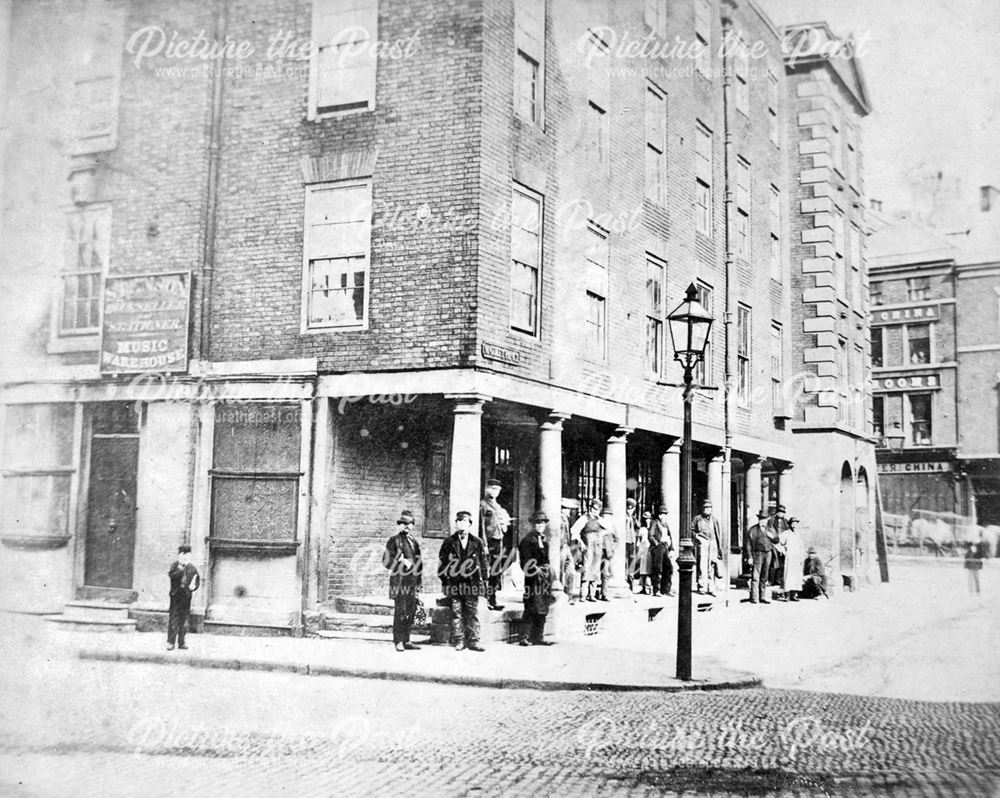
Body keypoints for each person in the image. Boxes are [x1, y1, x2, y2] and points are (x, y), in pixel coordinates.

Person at [437, 511, 488, 652]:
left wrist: (485, 580)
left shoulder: (477, 542)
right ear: (456, 524)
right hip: (455, 583)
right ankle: (459, 641)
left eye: (465, 521)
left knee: (473, 613)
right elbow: (442, 563)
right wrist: (445, 581)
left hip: (472, 584)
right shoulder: (449, 542)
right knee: (456, 613)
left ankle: (474, 641)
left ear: (470, 524)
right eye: (459, 521)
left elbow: (484, 563)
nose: (461, 524)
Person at [383, 509, 423, 651]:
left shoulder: (414, 542)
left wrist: (419, 582)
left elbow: (419, 563)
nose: (407, 526)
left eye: (410, 523)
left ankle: (406, 640)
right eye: (404, 523)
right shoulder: (394, 541)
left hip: (412, 581)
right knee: (400, 611)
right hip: (400, 581)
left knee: (411, 611)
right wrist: (401, 562)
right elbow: (386, 561)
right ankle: (398, 641)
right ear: (399, 525)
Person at [518, 511, 553, 646]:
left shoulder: (545, 542)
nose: (540, 526)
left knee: (543, 606)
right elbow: (525, 562)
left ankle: (538, 636)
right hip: (532, 578)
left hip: (544, 579)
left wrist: (546, 571)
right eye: (537, 523)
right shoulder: (527, 541)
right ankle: (524, 637)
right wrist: (535, 570)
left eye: (542, 523)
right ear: (533, 525)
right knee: (531, 606)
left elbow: (547, 560)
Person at [480, 478, 511, 611]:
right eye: (492, 489)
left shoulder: (498, 506)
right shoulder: (483, 504)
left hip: (498, 539)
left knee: (496, 571)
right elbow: (481, 525)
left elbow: (502, 522)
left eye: (497, 490)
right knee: (485, 570)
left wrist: (504, 527)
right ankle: (485, 599)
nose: (495, 492)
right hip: (489, 541)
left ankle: (493, 599)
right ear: (487, 489)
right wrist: (484, 544)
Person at [167, 544, 200, 651]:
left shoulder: (192, 568)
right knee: (173, 619)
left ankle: (181, 642)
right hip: (176, 597)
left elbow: (196, 580)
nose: (185, 557)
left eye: (187, 555)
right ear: (179, 556)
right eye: (182, 555)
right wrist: (181, 568)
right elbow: (172, 576)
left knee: (184, 621)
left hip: (186, 598)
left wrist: (194, 586)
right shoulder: (175, 566)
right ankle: (170, 642)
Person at [571, 499, 604, 602]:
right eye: (594, 509)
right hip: (588, 545)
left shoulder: (600, 519)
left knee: (596, 568)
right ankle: (583, 594)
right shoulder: (584, 518)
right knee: (587, 567)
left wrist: (601, 534)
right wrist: (580, 542)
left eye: (597, 510)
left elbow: (609, 528)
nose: (595, 511)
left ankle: (592, 594)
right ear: (590, 508)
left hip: (597, 545)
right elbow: (574, 530)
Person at [693, 500, 723, 596]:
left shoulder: (714, 520)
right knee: (702, 565)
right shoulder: (697, 519)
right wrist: (697, 537)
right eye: (706, 508)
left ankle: (711, 587)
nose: (708, 510)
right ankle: (702, 587)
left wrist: (719, 548)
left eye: (709, 508)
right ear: (703, 509)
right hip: (703, 542)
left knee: (712, 565)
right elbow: (691, 530)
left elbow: (718, 534)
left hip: (713, 543)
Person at [745, 510, 775, 604]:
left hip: (768, 553)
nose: (763, 521)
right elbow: (748, 545)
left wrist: (773, 537)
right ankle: (754, 598)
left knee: (764, 576)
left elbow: (777, 540)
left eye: (765, 519)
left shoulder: (770, 529)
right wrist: (750, 557)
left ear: (767, 520)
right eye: (761, 519)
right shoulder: (753, 530)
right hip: (757, 554)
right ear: (758, 519)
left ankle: (762, 597)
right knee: (755, 576)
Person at [648, 506, 675, 597]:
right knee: (658, 568)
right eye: (662, 514)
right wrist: (656, 544)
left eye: (665, 514)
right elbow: (650, 535)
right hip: (658, 547)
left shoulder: (666, 524)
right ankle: (656, 590)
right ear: (659, 515)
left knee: (669, 568)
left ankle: (666, 589)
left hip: (665, 546)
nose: (663, 516)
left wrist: (671, 548)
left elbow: (669, 536)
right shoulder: (655, 523)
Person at [777, 517, 806, 601]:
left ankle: (793, 595)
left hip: (797, 558)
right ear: (789, 524)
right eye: (793, 523)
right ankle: (787, 595)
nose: (794, 525)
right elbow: (777, 542)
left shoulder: (798, 535)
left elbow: (801, 547)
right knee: (788, 576)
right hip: (789, 558)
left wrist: (801, 558)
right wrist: (783, 551)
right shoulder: (785, 534)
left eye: (796, 523)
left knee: (796, 576)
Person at [559, 500, 582, 604]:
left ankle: (569, 594)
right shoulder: (559, 519)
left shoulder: (565, 519)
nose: (569, 511)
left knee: (570, 570)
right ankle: (559, 594)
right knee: (560, 570)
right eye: (566, 508)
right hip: (561, 547)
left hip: (566, 546)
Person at [597, 508, 620, 601]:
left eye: (609, 516)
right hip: (597, 551)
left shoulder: (612, 527)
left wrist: (612, 549)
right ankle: (591, 593)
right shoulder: (598, 525)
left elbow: (617, 539)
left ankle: (604, 594)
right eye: (605, 516)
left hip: (607, 553)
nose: (607, 518)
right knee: (594, 573)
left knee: (605, 573)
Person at [623, 498, 638, 592]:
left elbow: (637, 527)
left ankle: (631, 585)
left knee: (632, 562)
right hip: (625, 542)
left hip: (632, 542)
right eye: (629, 508)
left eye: (632, 509)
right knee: (624, 562)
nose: (630, 511)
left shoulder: (633, 517)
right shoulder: (624, 517)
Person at [637, 512, 653, 594]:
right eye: (646, 519)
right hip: (643, 549)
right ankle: (643, 587)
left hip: (650, 549)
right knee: (643, 569)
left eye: (649, 519)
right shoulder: (642, 529)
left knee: (649, 569)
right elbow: (639, 540)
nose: (648, 521)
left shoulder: (652, 528)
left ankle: (648, 587)